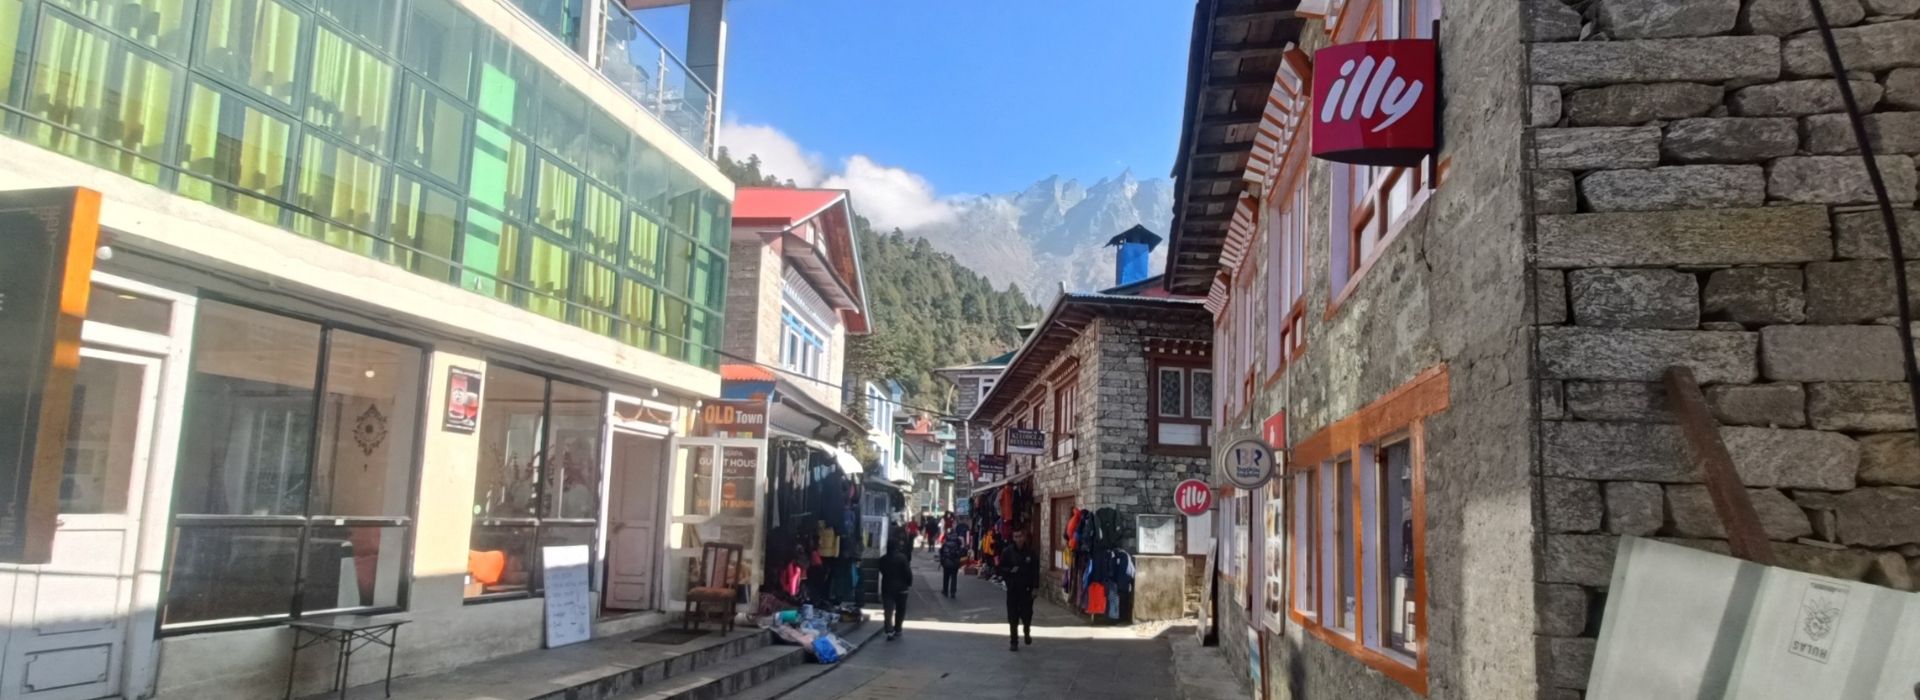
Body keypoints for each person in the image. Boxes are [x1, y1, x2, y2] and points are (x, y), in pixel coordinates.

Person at [997, 529, 1040, 651]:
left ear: (1024, 537)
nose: (1018, 539)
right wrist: (1009, 571)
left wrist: (1035, 587)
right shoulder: (1007, 552)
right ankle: (1014, 641)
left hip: (1026, 589)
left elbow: (1035, 571)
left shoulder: (1031, 553)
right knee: (1012, 616)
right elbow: (1000, 569)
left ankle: (1027, 632)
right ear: (1013, 538)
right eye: (1016, 536)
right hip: (1013, 589)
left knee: (1027, 614)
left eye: (1020, 536)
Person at [879, 534, 913, 640]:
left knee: (888, 609)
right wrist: (909, 583)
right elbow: (908, 573)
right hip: (902, 588)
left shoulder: (882, 559)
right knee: (900, 609)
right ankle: (898, 629)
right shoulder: (902, 558)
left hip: (887, 587)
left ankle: (889, 630)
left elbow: (882, 571)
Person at [938, 531, 965, 598]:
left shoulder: (946, 543)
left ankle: (945, 591)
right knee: (954, 577)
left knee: (946, 577)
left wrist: (942, 560)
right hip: (955, 562)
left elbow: (941, 552)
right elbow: (961, 553)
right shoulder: (958, 543)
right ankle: (953, 593)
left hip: (946, 562)